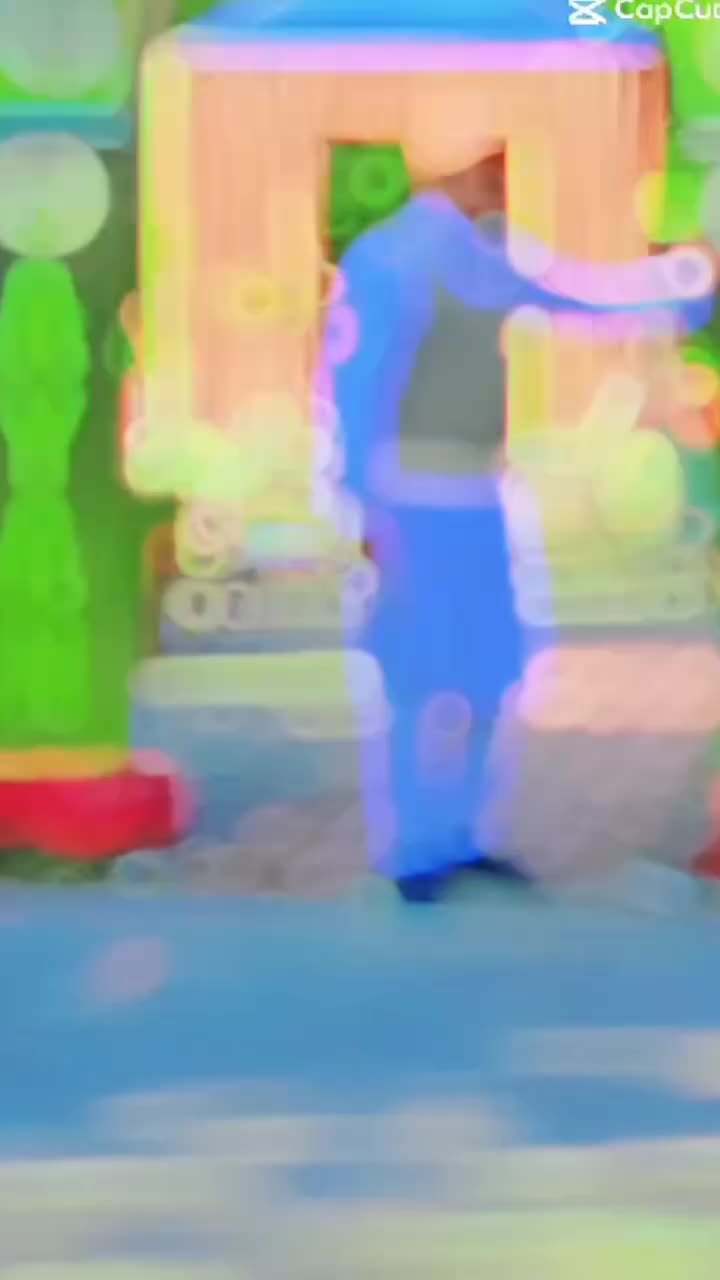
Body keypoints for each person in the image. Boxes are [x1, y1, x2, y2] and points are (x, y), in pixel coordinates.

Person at [320, 150, 714, 903]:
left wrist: (684, 284)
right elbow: (356, 383)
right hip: (411, 493)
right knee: (417, 676)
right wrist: (359, 503)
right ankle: (414, 844)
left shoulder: (487, 257)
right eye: (486, 172)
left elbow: (584, 297)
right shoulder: (393, 258)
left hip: (479, 492)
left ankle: (465, 833)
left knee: (489, 671)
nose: (497, 187)